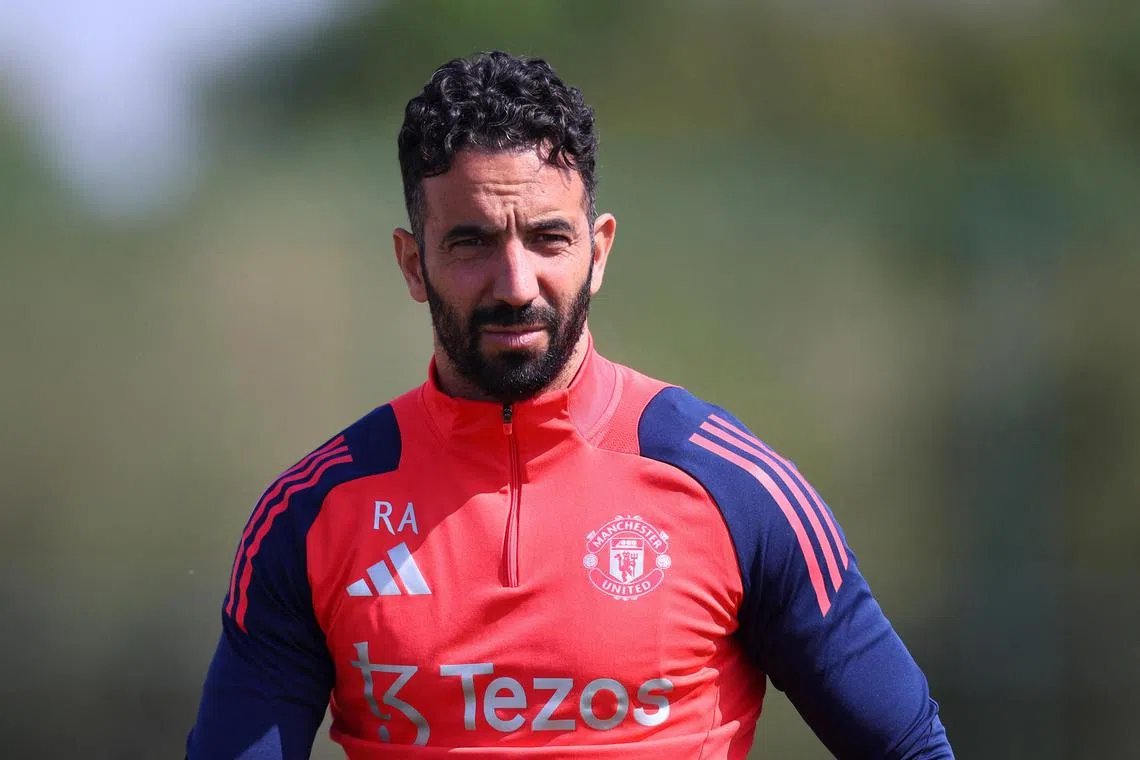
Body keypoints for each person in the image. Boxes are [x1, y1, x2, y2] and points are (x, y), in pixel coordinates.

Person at [187, 51, 954, 759]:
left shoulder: (738, 491)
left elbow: (909, 748)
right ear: (412, 262)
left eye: (549, 238)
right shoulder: (313, 516)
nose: (516, 284)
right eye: (471, 243)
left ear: (599, 253)